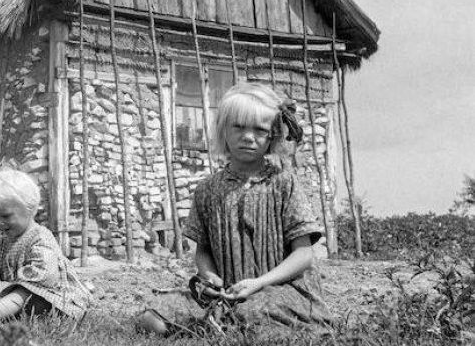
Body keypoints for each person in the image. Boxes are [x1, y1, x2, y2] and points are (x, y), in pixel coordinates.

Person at [138, 83, 333, 337]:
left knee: (253, 312)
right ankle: (221, 323)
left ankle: (224, 325)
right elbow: (203, 251)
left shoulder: (283, 183)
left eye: (260, 130)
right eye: (239, 127)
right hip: (228, 293)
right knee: (151, 318)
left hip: (279, 288)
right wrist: (210, 278)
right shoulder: (208, 189)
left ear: (272, 136)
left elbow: (304, 255)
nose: (248, 137)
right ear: (224, 130)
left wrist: (259, 283)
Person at [0, 169, 90, 325]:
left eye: (6, 216)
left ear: (29, 208)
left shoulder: (40, 237)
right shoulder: (1, 243)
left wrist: (11, 286)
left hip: (50, 298)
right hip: (11, 297)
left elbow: (44, 275)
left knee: (22, 293)